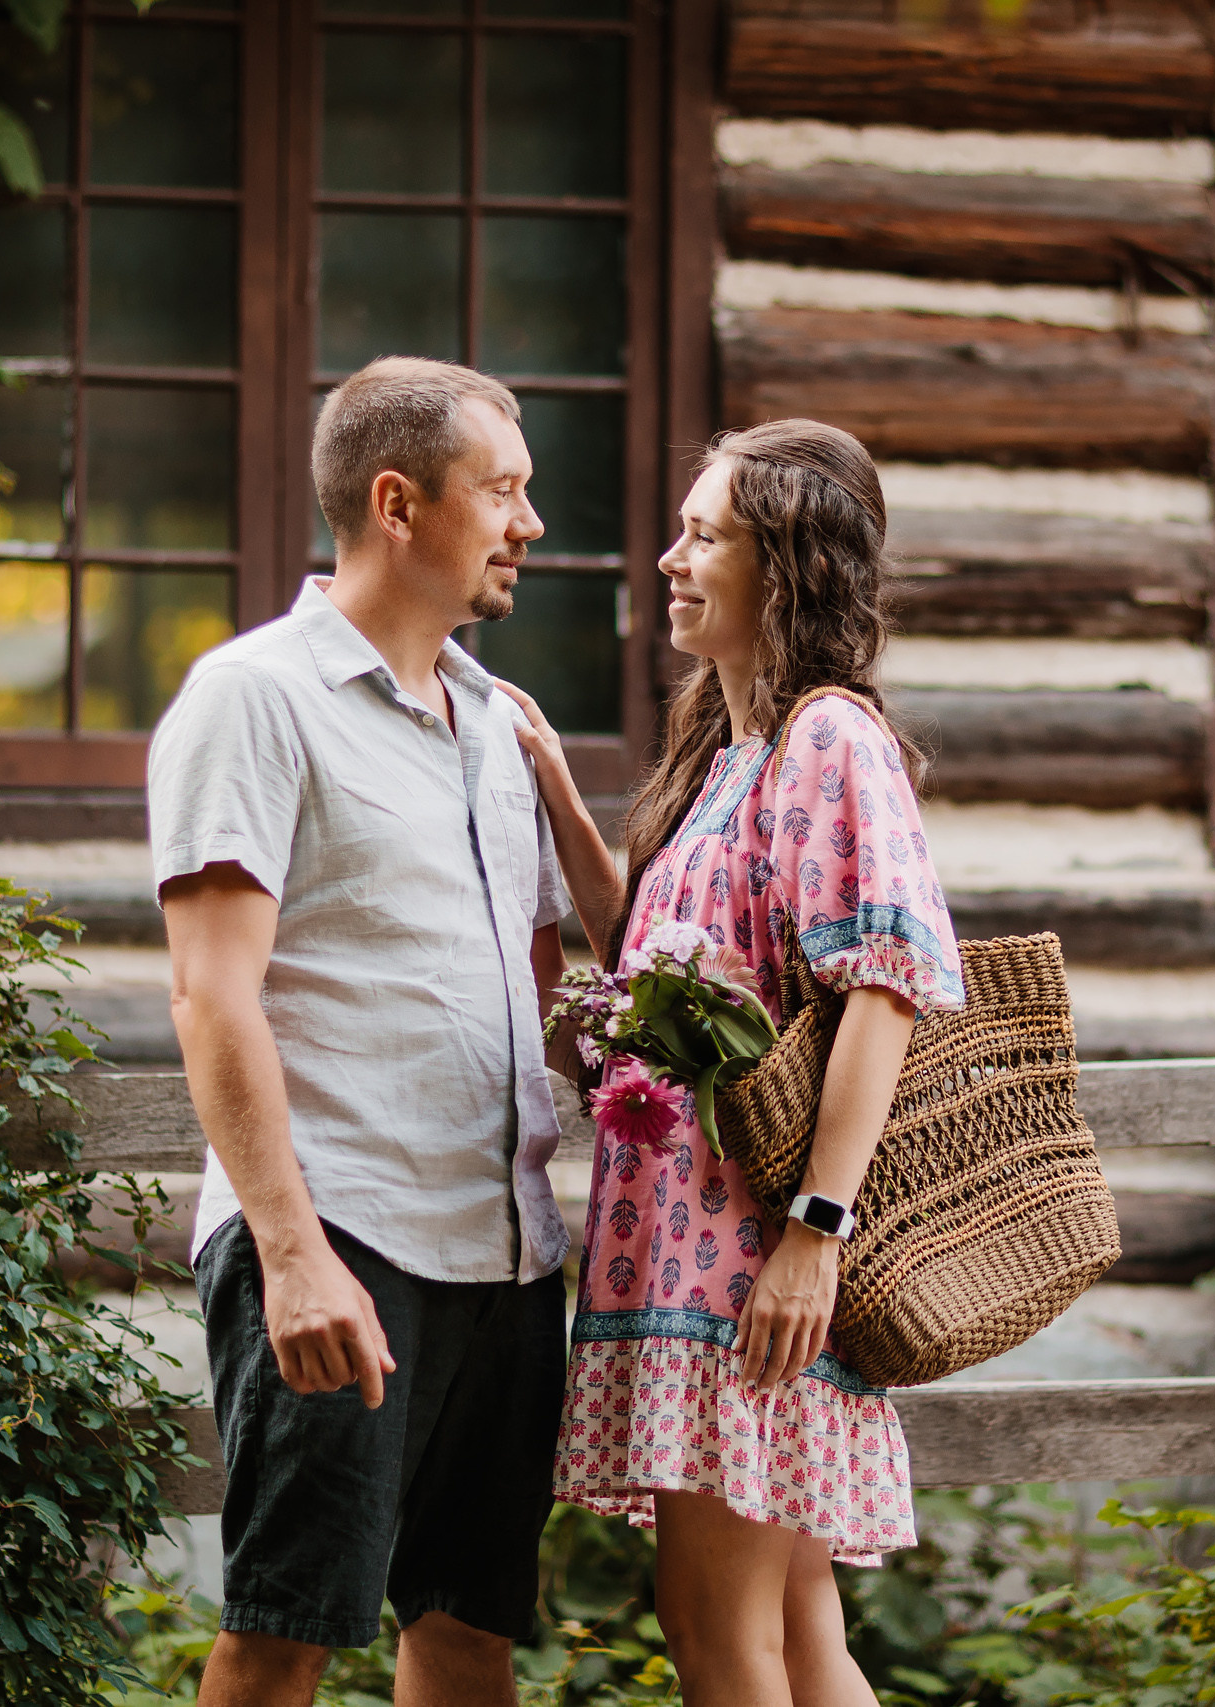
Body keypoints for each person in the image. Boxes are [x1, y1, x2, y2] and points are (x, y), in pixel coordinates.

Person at [503, 418, 965, 1707]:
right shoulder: (728, 756)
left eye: (705, 534)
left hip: (751, 1265)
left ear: (791, 564)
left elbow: (887, 983)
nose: (668, 558)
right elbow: (640, 963)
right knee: (800, 1632)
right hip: (701, 1259)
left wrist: (817, 1231)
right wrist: (551, 776)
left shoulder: (831, 741)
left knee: (718, 1639)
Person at [147, 356, 574, 1707]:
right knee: (286, 1632)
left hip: (503, 1256)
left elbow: (544, 971)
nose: (531, 523)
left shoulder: (498, 725)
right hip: (345, 1240)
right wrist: (292, 1254)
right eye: (503, 491)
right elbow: (212, 994)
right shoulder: (252, 698)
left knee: (466, 1631)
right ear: (399, 503)